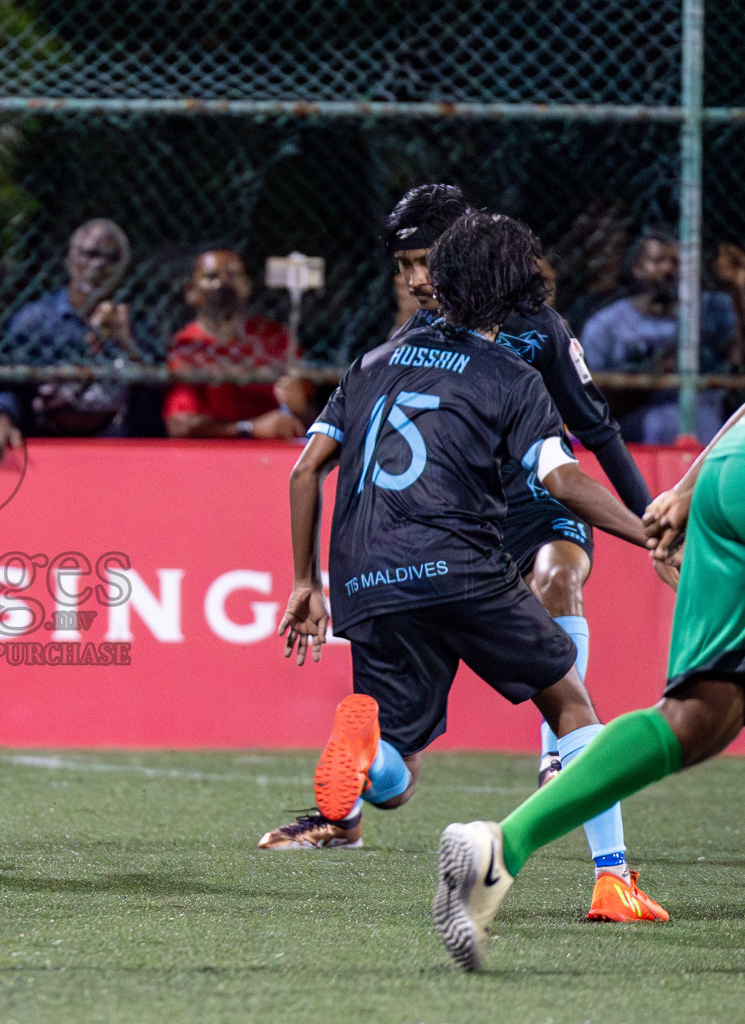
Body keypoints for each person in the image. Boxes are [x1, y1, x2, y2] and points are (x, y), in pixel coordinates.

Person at [259, 211, 668, 922]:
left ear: (441, 285)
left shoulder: (373, 362)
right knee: (570, 704)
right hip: (459, 563)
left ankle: (365, 759)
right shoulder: (513, 374)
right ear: (518, 297)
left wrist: (305, 582)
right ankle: (613, 881)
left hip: (364, 572)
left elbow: (304, 472)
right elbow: (564, 479)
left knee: (397, 772)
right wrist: (649, 533)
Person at [433, 401, 745, 971]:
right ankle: (599, 858)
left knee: (700, 715)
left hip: (730, 471)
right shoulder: (543, 348)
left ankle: (504, 845)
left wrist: (687, 485)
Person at [384, 185, 653, 830]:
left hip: (542, 500)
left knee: (559, 576)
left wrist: (654, 524)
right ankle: (349, 808)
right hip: (464, 521)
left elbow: (598, 431)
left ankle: (557, 753)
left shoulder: (541, 332)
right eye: (405, 267)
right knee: (401, 733)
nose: (416, 280)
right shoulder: (417, 337)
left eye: (426, 262)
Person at [0, 218, 144, 460]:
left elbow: (154, 388)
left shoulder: (137, 321)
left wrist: (124, 341)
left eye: (111, 258)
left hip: (118, 447)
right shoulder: (35, 320)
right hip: (47, 444)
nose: (99, 265)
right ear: (69, 260)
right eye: (90, 254)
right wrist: (1, 422)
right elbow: (9, 384)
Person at [581, 231, 744, 443]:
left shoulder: (713, 309)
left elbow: (739, 358)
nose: (668, 269)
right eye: (658, 261)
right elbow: (592, 398)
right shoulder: (607, 324)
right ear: (637, 268)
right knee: (663, 421)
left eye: (676, 262)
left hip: (709, 421)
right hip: (638, 427)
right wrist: (652, 373)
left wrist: (738, 287)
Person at [162, 248, 312, 440]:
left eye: (232, 275)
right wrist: (250, 428)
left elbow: (311, 419)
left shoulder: (275, 337)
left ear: (246, 284)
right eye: (212, 277)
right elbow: (179, 425)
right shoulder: (186, 345)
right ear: (192, 291)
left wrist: (300, 408)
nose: (224, 284)